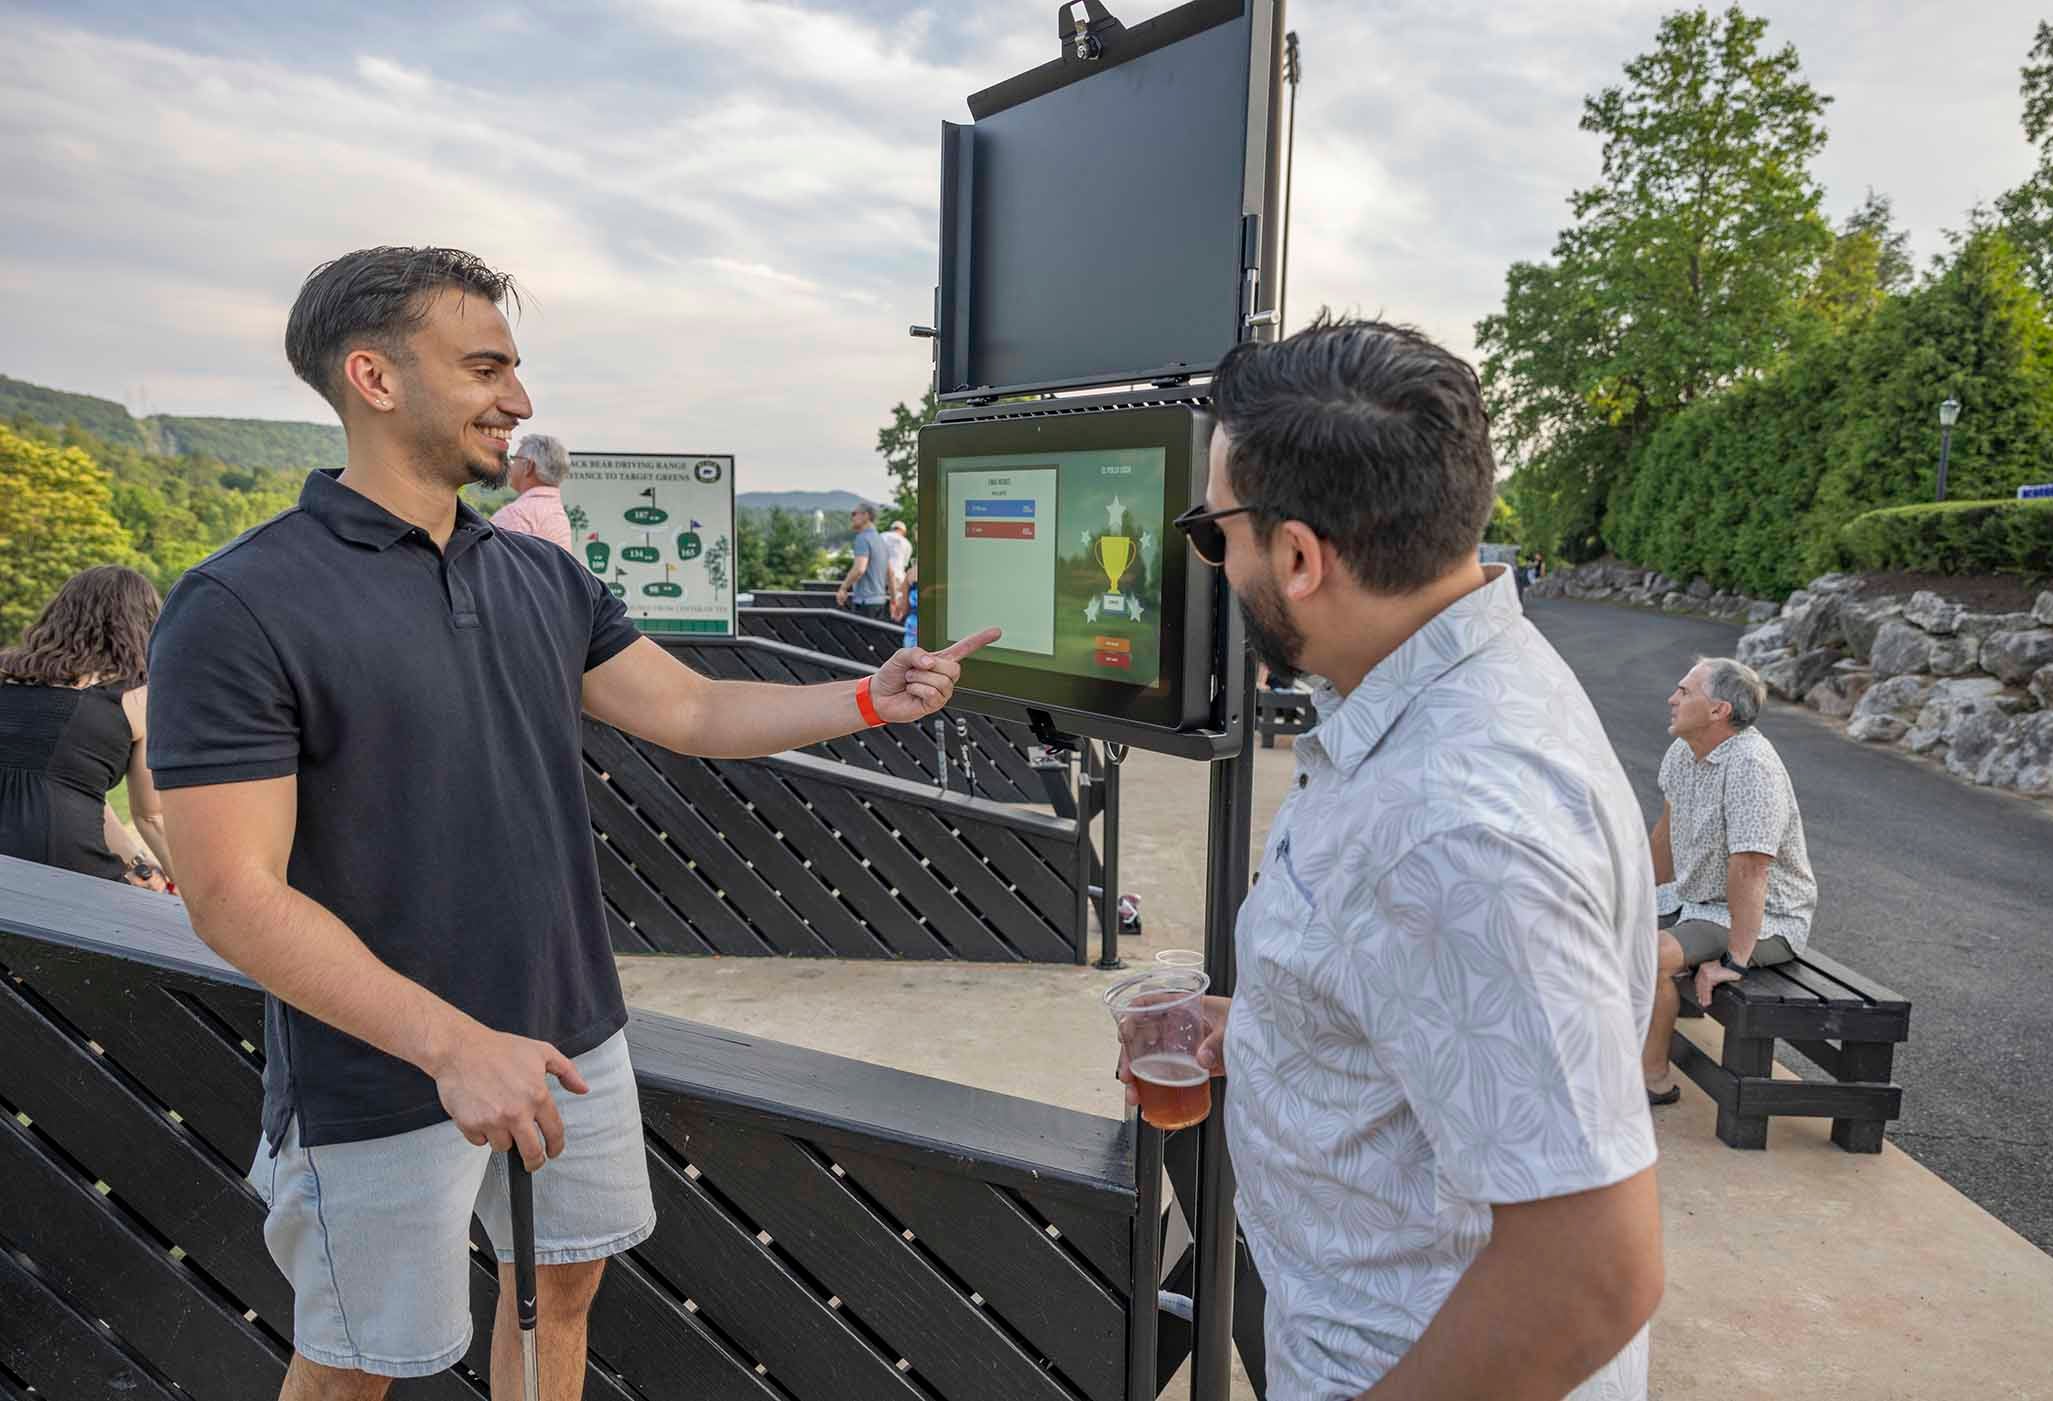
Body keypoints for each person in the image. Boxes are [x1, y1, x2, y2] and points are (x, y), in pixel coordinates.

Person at [147, 245, 995, 1401]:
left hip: (572, 1034)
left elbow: (690, 706)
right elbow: (230, 896)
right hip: (378, 1072)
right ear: (374, 378)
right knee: (356, 1364)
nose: (522, 401)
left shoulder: (540, 581)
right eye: (486, 367)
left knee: (558, 1299)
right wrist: (452, 1045)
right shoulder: (239, 603)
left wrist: (864, 697)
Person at [1125, 317, 1661, 1400]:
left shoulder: (1457, 829)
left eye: (1212, 531)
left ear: (1299, 557)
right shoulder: (1449, 686)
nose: (1216, 562)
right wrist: (1280, 1027)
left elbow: (1592, 1272)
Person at [1642, 657, 1817, 1106]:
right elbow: (1666, 831)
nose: (1672, 699)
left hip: (1764, 918)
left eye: (1684, 692)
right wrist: (1641, 900)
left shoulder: (1752, 768)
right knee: (1601, 925)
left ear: (1718, 710)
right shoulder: (1685, 749)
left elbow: (1751, 870)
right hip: (1697, 898)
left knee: (1651, 956)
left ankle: (1652, 1078)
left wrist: (1735, 962)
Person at [0, 565, 174, 891]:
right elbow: (151, 817)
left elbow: (74, 786)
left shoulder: (5, 673)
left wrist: (136, 863)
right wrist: (197, 895)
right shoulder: (136, 699)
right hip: (62, 871)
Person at [489, 432, 577, 556]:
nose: (510, 465)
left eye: (515, 459)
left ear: (528, 466)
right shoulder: (557, 514)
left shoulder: (516, 515)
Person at [833, 503, 891, 619]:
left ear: (866, 516)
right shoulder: (880, 540)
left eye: (854, 514)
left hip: (865, 603)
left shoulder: (862, 538)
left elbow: (859, 568)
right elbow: (890, 573)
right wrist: (894, 599)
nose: (852, 518)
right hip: (880, 602)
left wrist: (843, 588)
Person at [885, 519, 913, 600]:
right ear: (903, 532)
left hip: (878, 578)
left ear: (892, 528)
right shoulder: (907, 544)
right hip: (897, 578)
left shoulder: (882, 536)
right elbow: (904, 567)